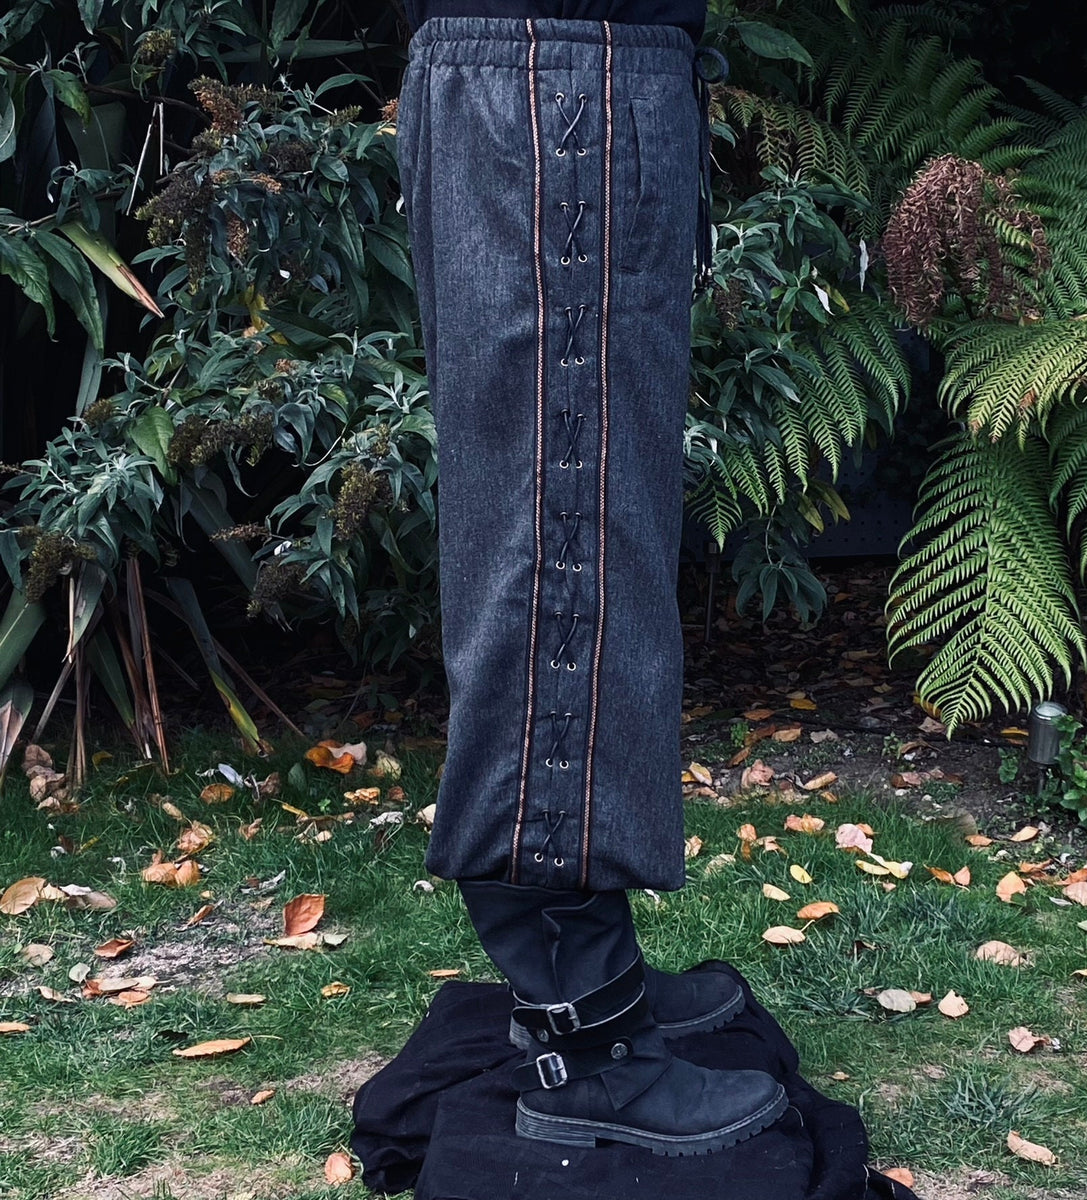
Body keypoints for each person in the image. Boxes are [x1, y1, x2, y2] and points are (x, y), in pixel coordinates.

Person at [394, 0, 788, 1156]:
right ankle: (587, 1026)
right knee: (559, 539)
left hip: (570, 71)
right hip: (558, 75)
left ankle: (582, 963)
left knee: (579, 520)